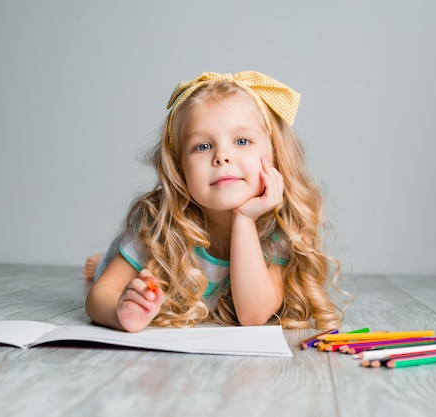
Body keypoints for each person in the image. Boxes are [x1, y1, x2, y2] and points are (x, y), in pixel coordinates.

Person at [85, 71, 345, 333]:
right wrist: (120, 312)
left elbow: (252, 315)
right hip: (146, 253)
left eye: (242, 141)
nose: (222, 156)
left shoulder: (278, 229)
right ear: (180, 167)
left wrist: (245, 219)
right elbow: (100, 296)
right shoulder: (157, 223)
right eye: (202, 146)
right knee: (105, 272)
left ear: (276, 156)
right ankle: (105, 262)